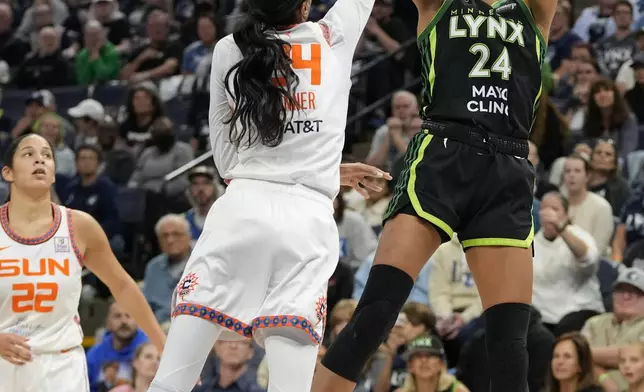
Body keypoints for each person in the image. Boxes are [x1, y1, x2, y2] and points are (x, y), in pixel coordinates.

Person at [311, 0, 558, 389]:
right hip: (442, 157)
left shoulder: (533, 10)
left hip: (506, 169)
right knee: (376, 313)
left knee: (511, 346)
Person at [147, 0, 387, 391]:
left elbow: (227, 162)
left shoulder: (230, 48)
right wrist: (321, 170)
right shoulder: (332, 37)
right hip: (306, 221)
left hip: (240, 212)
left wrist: (312, 167)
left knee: (172, 378)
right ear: (306, 5)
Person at [0, 133, 165, 392]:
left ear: (54, 174)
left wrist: (162, 344)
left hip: (62, 366)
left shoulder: (80, 226)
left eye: (47, 155)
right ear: (8, 173)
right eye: (28, 154)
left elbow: (122, 286)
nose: (40, 160)